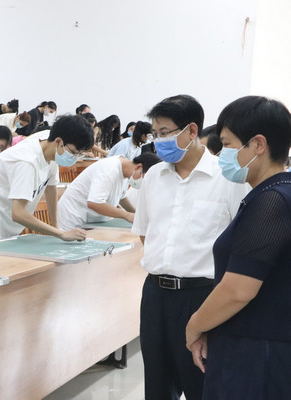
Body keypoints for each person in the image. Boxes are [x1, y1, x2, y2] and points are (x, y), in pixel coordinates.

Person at [131, 94, 248, 400]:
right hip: (155, 295)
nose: (159, 142)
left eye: (165, 133)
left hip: (202, 296)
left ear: (192, 130)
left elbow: (240, 244)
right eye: (155, 134)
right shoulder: (154, 176)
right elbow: (146, 234)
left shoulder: (227, 178)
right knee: (157, 386)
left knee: (202, 385)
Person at [185, 96, 291, 400]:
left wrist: (194, 326)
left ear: (257, 144)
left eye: (227, 145)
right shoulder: (271, 194)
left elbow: (238, 289)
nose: (221, 155)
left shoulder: (272, 201)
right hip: (252, 343)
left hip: (257, 352)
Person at [0, 115, 94, 242]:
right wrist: (61, 234)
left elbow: (51, 187)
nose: (74, 157)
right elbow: (18, 213)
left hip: (6, 217)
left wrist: (56, 226)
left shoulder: (50, 143)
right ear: (59, 141)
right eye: (73, 152)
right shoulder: (27, 162)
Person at [58, 152, 161, 231]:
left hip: (91, 221)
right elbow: (94, 203)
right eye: (144, 177)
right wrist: (126, 215)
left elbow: (121, 198)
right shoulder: (109, 169)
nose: (143, 181)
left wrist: (137, 214)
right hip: (73, 218)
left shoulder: (126, 173)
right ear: (139, 167)